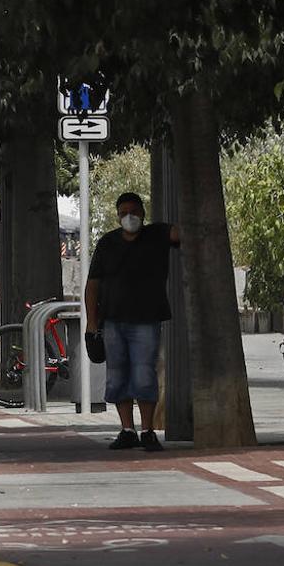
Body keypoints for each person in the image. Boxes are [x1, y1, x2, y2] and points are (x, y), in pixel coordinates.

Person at [84, 192, 181, 452]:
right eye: (124, 212)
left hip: (146, 321)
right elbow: (92, 285)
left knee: (144, 374)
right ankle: (127, 430)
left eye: (134, 211)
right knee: (117, 376)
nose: (130, 217)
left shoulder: (157, 235)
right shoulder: (107, 243)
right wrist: (92, 323)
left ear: (143, 213)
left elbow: (182, 233)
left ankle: (147, 430)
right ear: (117, 216)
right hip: (112, 322)